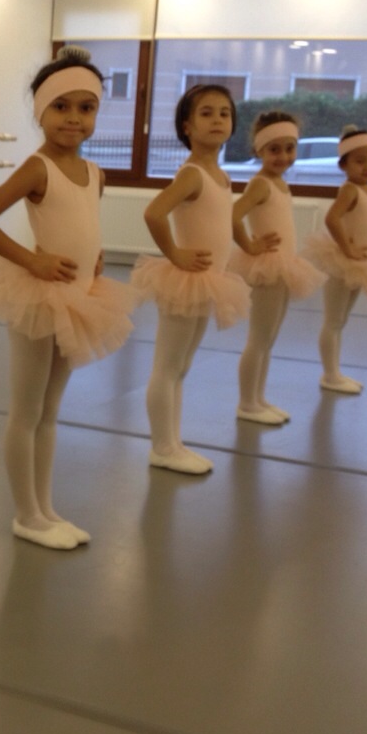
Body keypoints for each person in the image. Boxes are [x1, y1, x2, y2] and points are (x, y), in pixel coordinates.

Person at [0, 46, 137, 550]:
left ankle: (45, 507)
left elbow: (84, 222)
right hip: (38, 297)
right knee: (27, 409)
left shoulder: (95, 173)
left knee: (50, 410)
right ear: (40, 111)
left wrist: (95, 255)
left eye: (86, 107)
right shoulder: (37, 168)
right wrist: (30, 260)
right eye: (61, 107)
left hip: (78, 296)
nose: (74, 118)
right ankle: (26, 514)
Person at [131, 85, 250, 474]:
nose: (217, 120)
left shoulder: (221, 176)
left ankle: (173, 441)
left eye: (224, 113)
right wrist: (174, 253)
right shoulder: (192, 174)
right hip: (185, 280)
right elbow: (153, 213)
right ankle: (162, 447)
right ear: (187, 126)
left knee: (181, 367)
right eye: (206, 113)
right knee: (168, 366)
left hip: (208, 279)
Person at [228, 112, 325, 423]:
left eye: (289, 148)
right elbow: (232, 215)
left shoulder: (280, 184)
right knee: (259, 338)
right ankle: (247, 404)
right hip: (266, 266)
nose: (283, 156)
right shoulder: (260, 184)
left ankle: (259, 398)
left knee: (269, 339)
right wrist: (249, 246)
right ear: (258, 151)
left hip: (284, 265)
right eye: (274, 149)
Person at [303, 126, 367, 394]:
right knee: (333, 320)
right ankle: (330, 375)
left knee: (341, 321)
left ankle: (335, 372)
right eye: (360, 161)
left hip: (361, 264)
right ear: (344, 165)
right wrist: (348, 250)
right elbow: (332, 218)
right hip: (341, 263)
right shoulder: (350, 190)